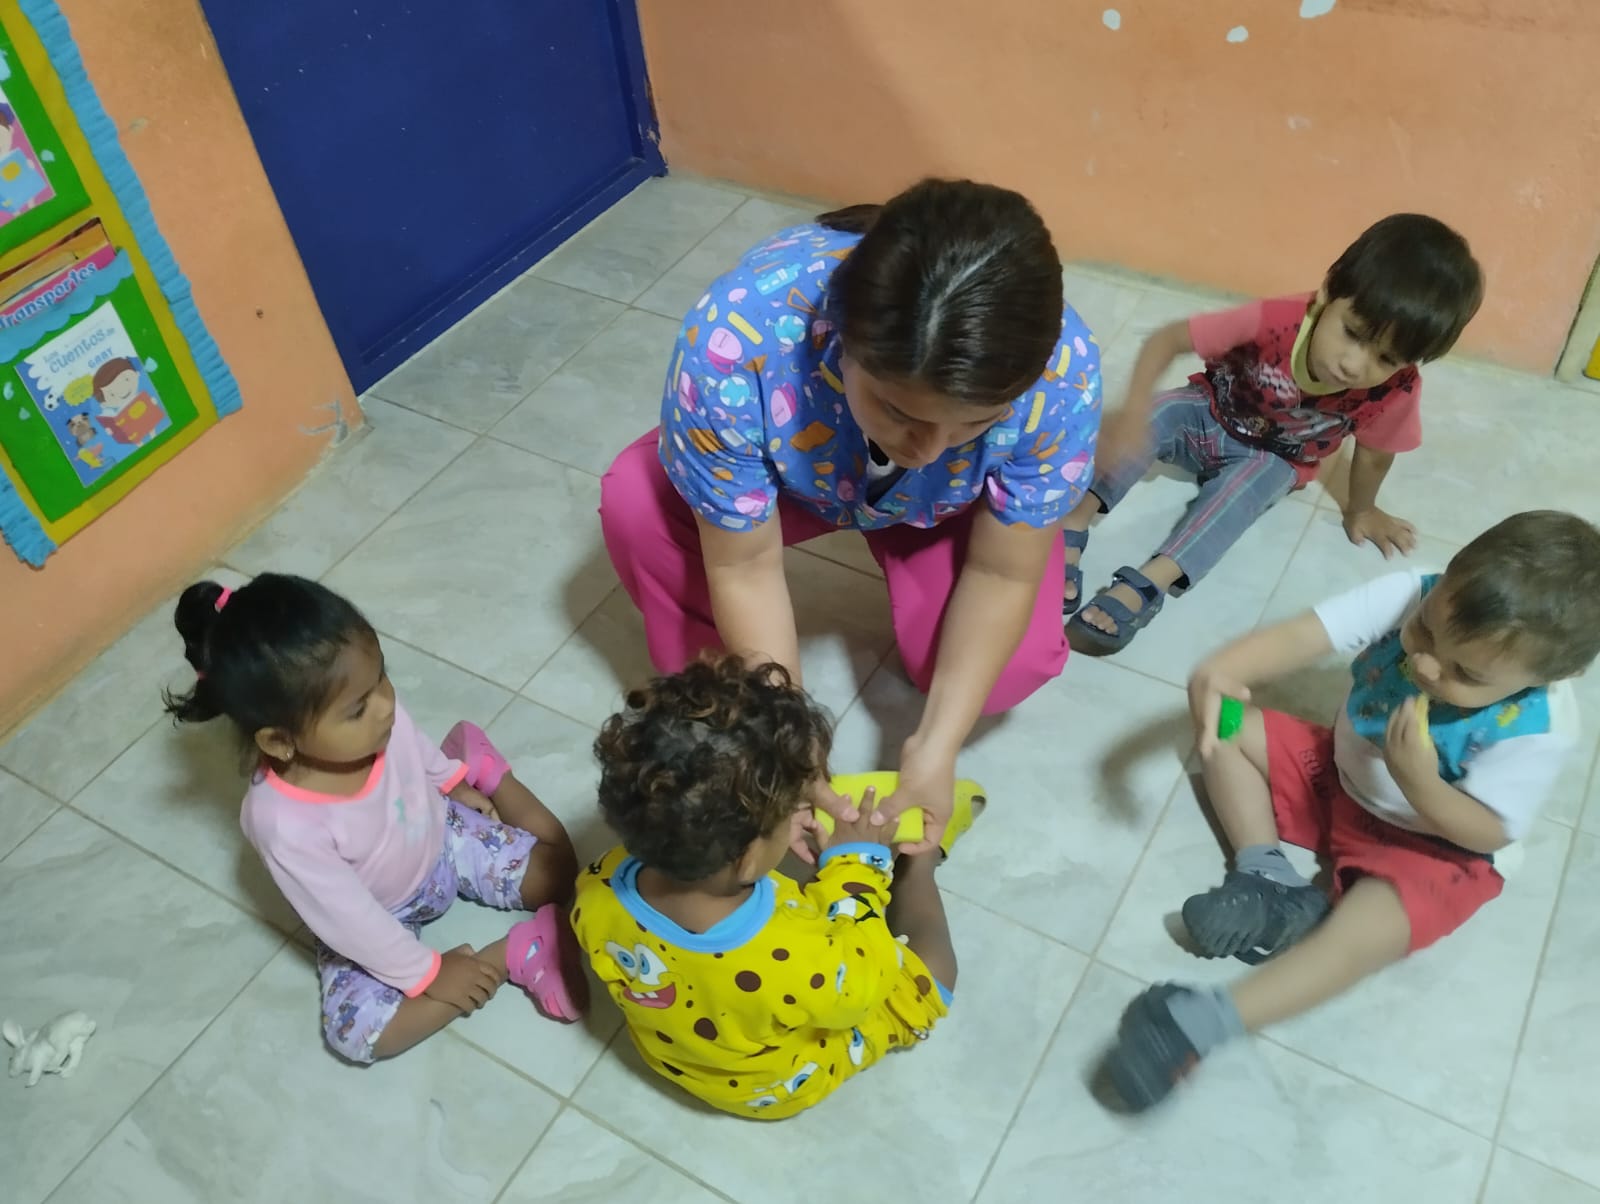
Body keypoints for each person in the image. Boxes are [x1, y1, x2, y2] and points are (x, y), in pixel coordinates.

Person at [600, 177, 1101, 855]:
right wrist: (786, 748)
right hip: (800, 482)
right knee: (640, 502)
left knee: (1010, 667)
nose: (928, 450)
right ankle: (737, 718)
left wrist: (936, 745)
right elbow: (744, 567)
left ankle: (915, 511)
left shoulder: (1065, 376)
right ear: (841, 342)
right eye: (897, 410)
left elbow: (1002, 574)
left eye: (975, 423)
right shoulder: (734, 343)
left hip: (946, 508)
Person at [1100, 511, 1600, 1110]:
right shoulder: (1414, 592)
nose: (1426, 666)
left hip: (1432, 843)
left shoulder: (1539, 729)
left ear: (1556, 674)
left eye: (1465, 673)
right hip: (1339, 777)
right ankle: (1265, 877)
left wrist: (1420, 783)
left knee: (1365, 935)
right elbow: (1302, 636)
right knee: (1222, 722)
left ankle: (1200, 1023)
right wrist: (1223, 670)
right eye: (1425, 631)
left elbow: (1487, 831)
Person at [163, 573, 588, 1063]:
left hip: (442, 836)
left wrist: (450, 779)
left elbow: (412, 743)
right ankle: (517, 952)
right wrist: (429, 973)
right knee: (358, 1034)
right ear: (280, 741)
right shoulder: (282, 824)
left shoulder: (376, 715)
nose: (387, 705)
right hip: (379, 914)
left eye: (382, 676)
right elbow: (349, 920)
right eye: (358, 707)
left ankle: (488, 771)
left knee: (562, 875)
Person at [573, 653, 977, 1119]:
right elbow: (862, 985)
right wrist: (859, 866)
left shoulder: (596, 884)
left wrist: (776, 821)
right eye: (789, 812)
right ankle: (921, 863)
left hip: (678, 1054)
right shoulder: (799, 962)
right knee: (932, 981)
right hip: (772, 1085)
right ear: (747, 857)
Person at [1064, 213, 1484, 656]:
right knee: (1160, 412)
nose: (1354, 365)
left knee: (1242, 496)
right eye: (1353, 334)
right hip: (1207, 410)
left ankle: (1151, 582)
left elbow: (1376, 452)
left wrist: (1362, 509)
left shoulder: (1396, 390)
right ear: (1328, 292)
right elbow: (1167, 340)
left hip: (1275, 456)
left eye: (1386, 358)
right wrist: (1133, 414)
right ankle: (1073, 520)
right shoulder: (1273, 322)